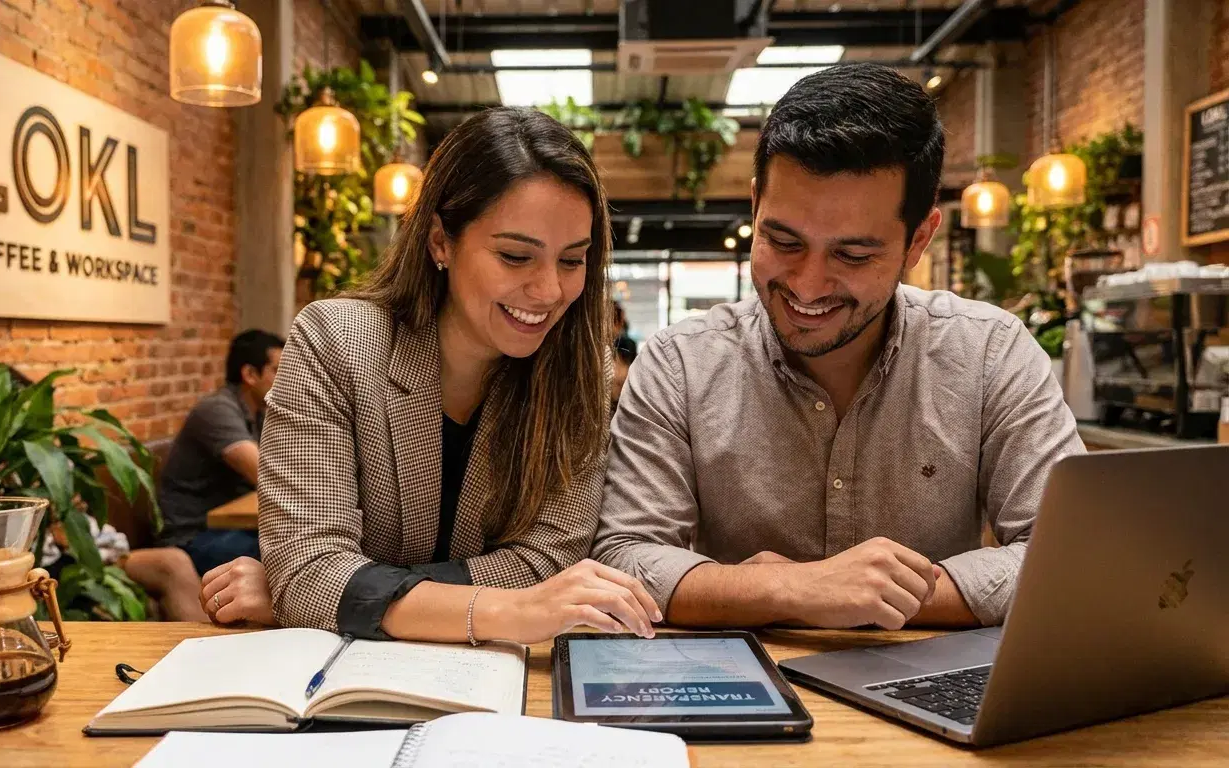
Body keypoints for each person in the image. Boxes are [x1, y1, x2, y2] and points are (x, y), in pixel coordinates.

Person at [592, 63, 1084, 632]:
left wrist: (862, 594)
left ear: (918, 240)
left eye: (852, 255)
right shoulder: (681, 364)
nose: (806, 283)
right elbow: (625, 555)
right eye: (783, 240)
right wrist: (794, 588)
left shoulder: (989, 355)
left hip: (927, 689)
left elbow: (1068, 554)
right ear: (755, 205)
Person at [199, 107, 660, 644]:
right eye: (515, 257)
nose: (550, 291)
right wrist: (504, 611)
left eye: (572, 260)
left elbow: (548, 563)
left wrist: (351, 596)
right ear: (440, 240)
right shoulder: (336, 344)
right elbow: (309, 572)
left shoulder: (580, 374)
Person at [0, 366, 207, 622]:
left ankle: (208, 656)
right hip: (38, 570)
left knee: (173, 562)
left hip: (82, 554)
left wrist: (67, 516)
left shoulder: (43, 458)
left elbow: (80, 526)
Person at [156, 330, 282, 575]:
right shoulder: (216, 410)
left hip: (230, 529)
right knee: (285, 554)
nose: (288, 379)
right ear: (250, 375)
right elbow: (267, 475)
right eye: (278, 370)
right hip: (192, 537)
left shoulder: (258, 412)